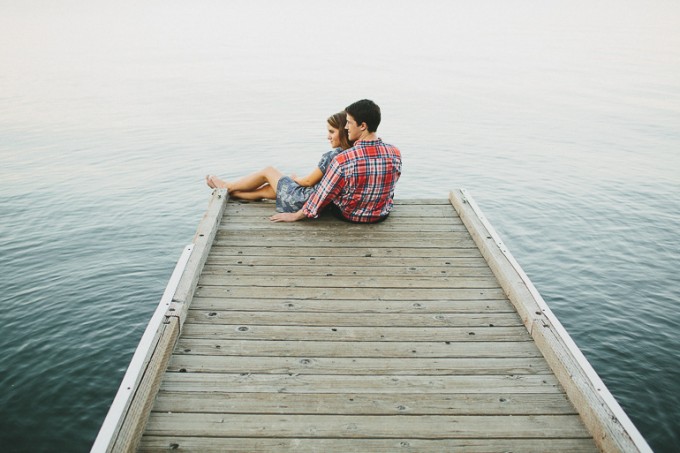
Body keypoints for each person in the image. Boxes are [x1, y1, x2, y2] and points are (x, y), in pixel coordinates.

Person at [270, 99, 401, 223]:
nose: (346, 127)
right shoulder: (394, 153)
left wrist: (296, 216)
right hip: (381, 215)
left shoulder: (343, 159)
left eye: (349, 122)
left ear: (362, 126)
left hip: (351, 216)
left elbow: (323, 194)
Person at [205, 111, 354, 213]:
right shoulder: (352, 154)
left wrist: (295, 179)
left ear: (343, 131)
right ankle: (236, 194)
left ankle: (226, 186)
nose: (328, 136)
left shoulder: (333, 156)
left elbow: (308, 181)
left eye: (332, 132)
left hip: (304, 201)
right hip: (321, 203)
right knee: (271, 188)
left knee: (268, 172)